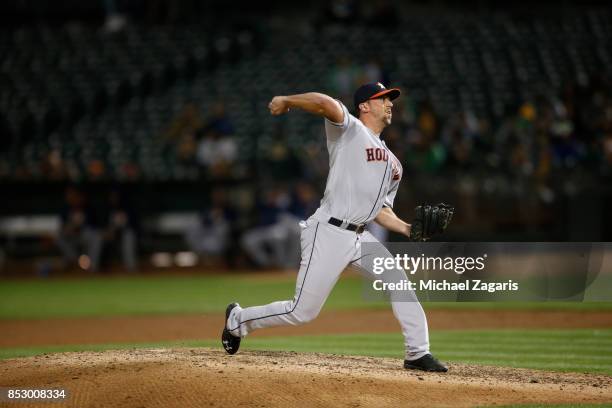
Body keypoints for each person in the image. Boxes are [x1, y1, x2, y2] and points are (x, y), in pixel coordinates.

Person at [221, 82, 448, 372]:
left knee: (399, 282)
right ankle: (238, 320)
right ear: (364, 106)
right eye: (382, 99)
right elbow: (325, 102)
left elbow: (380, 209)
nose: (390, 103)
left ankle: (418, 352)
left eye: (390, 99)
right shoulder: (349, 130)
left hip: (360, 236)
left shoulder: (394, 164)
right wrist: (287, 100)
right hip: (328, 231)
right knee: (301, 311)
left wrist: (407, 228)